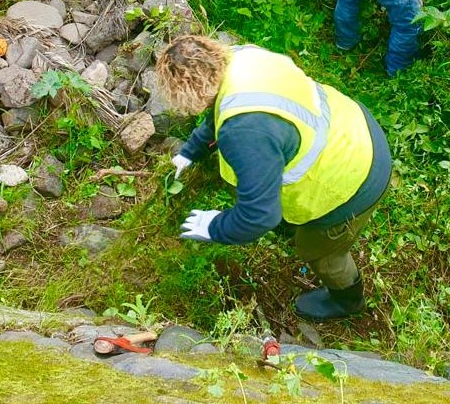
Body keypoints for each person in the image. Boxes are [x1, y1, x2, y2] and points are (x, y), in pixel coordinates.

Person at [156, 35, 392, 321]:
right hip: (353, 126)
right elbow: (219, 111)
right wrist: (191, 151)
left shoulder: (245, 132)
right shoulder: (243, 57)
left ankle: (347, 301)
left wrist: (215, 226)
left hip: (354, 177)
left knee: (320, 251)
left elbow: (258, 216)